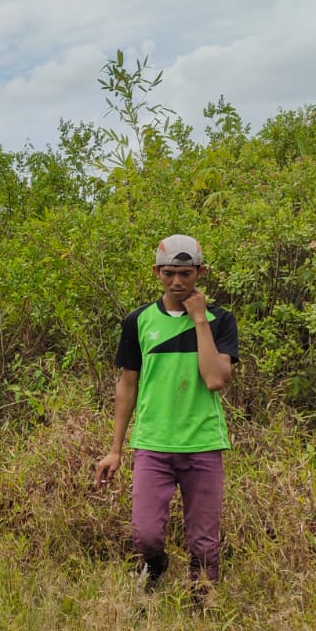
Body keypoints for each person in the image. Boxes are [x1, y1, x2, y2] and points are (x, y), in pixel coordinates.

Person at [95, 235, 239, 599]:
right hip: (153, 443)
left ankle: (202, 606)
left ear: (201, 272)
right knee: (145, 535)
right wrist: (115, 450)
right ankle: (155, 566)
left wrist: (199, 320)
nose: (178, 282)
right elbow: (127, 386)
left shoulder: (220, 321)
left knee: (204, 543)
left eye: (186, 274)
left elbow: (215, 379)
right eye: (170, 273)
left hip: (203, 443)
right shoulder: (139, 320)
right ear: (157, 272)